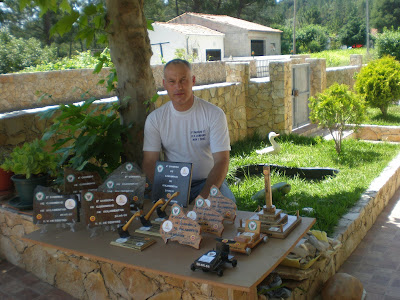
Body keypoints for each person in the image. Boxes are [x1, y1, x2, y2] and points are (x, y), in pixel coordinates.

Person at [142, 59, 235, 203]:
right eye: (172, 81)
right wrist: (165, 190)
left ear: (193, 80)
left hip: (208, 182)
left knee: (226, 211)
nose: (178, 87)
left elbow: (222, 160)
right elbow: (149, 161)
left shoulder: (214, 114)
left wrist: (203, 198)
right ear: (164, 84)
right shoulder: (155, 119)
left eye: (183, 80)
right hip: (172, 184)